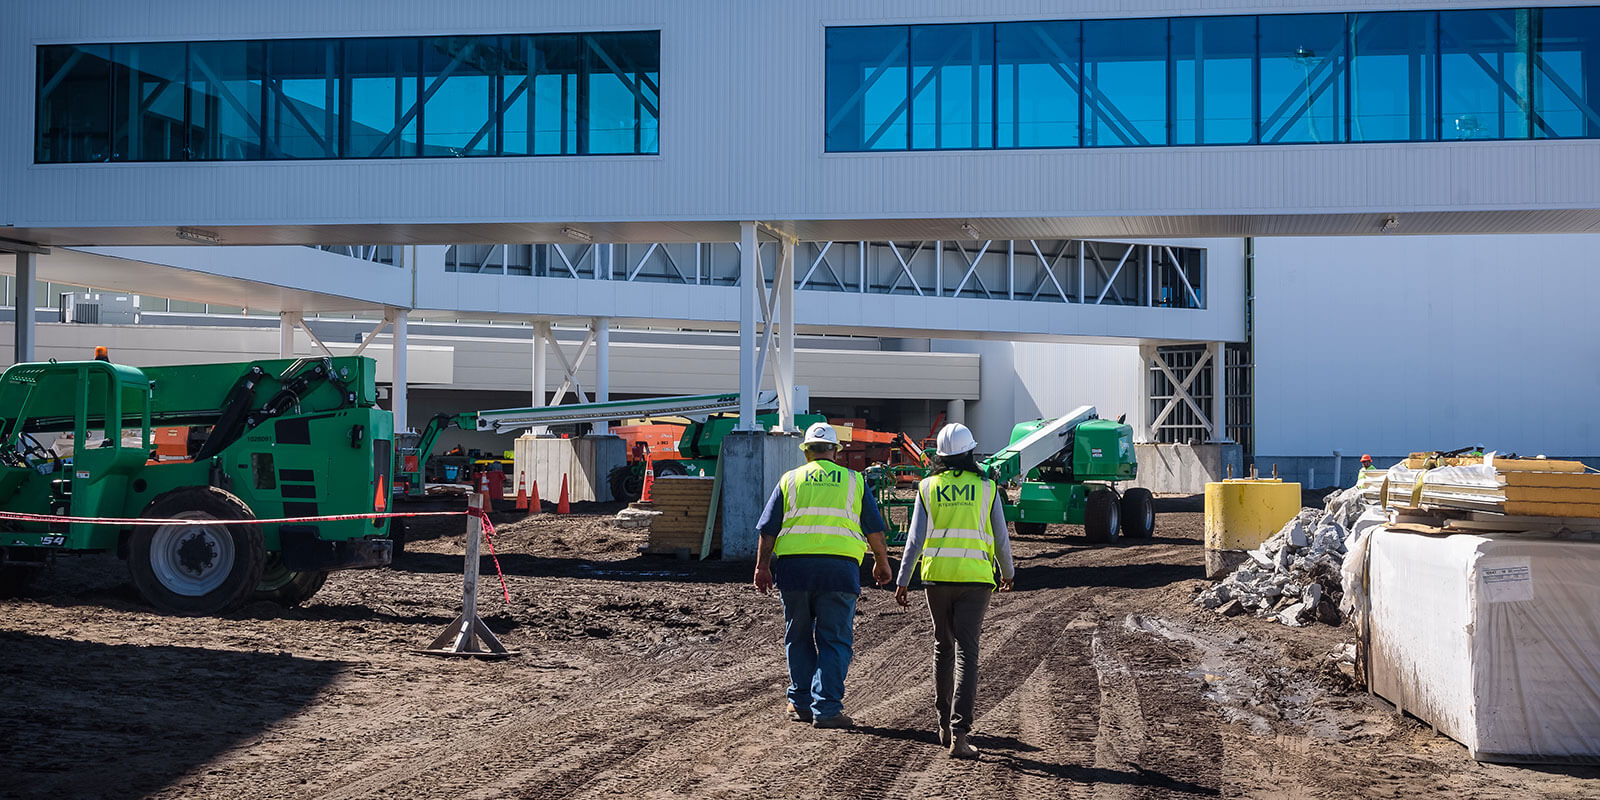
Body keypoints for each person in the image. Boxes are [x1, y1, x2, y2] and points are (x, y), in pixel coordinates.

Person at [754, 422, 893, 729]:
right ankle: (827, 708)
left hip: (794, 571)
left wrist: (762, 566)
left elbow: (768, 529)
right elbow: (873, 528)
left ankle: (802, 703)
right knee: (834, 640)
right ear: (835, 451)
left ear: (806, 451)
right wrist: (882, 562)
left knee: (798, 636)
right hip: (838, 572)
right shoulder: (854, 481)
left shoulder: (789, 480)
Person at [894, 422, 1014, 759]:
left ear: (940, 456)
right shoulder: (987, 487)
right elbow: (1001, 537)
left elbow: (915, 539)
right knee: (968, 654)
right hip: (975, 579)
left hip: (937, 579)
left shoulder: (927, 487)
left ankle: (943, 723)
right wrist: (1008, 572)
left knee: (942, 648)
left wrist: (903, 579)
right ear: (970, 452)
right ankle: (960, 737)